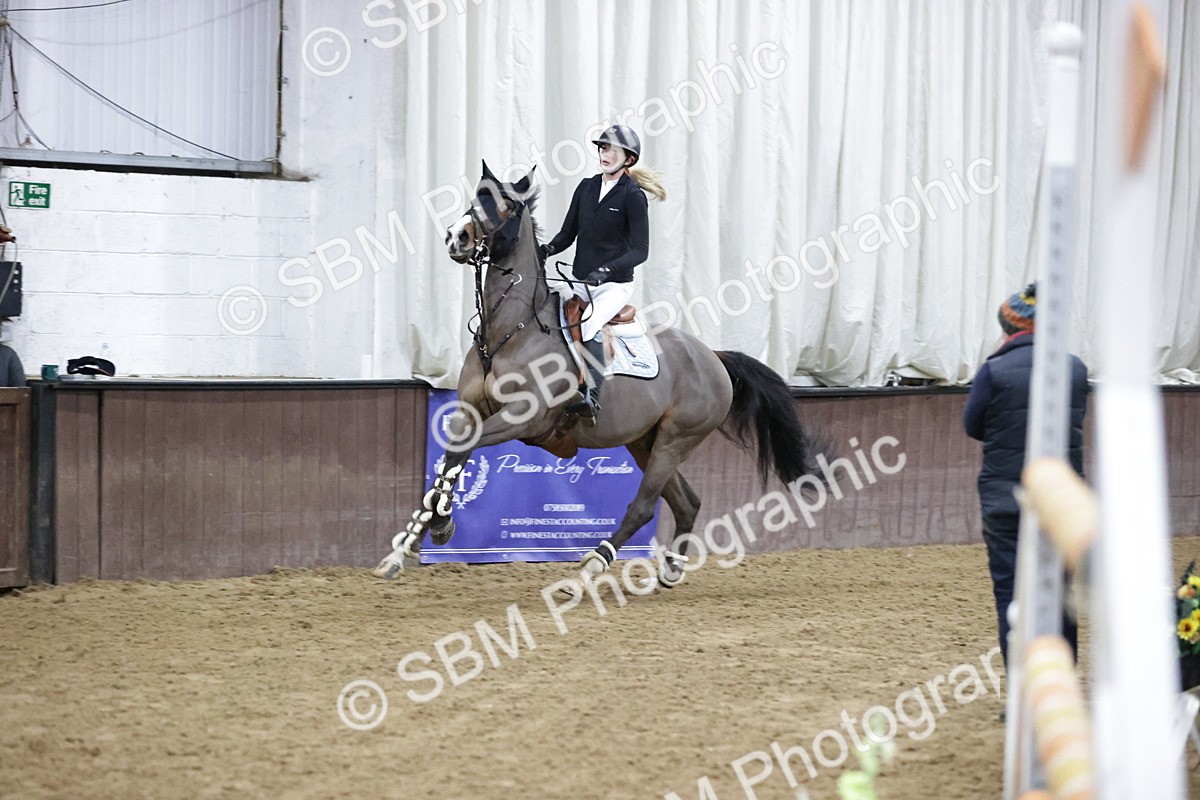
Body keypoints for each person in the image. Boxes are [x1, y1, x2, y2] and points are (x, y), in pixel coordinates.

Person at [963, 283, 1088, 668]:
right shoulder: (1075, 368)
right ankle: (1062, 678)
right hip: (1062, 501)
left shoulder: (993, 371)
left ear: (1010, 329)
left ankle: (1021, 685)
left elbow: (973, 425)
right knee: (1060, 594)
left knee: (1011, 593)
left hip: (1005, 498)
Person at [540, 124, 666, 422]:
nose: (604, 153)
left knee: (589, 325)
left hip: (613, 286)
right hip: (581, 280)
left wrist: (606, 270)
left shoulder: (632, 196)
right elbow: (567, 233)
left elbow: (640, 250)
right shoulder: (586, 187)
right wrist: (545, 250)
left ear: (629, 159)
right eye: (602, 148)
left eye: (612, 150)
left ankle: (590, 396)